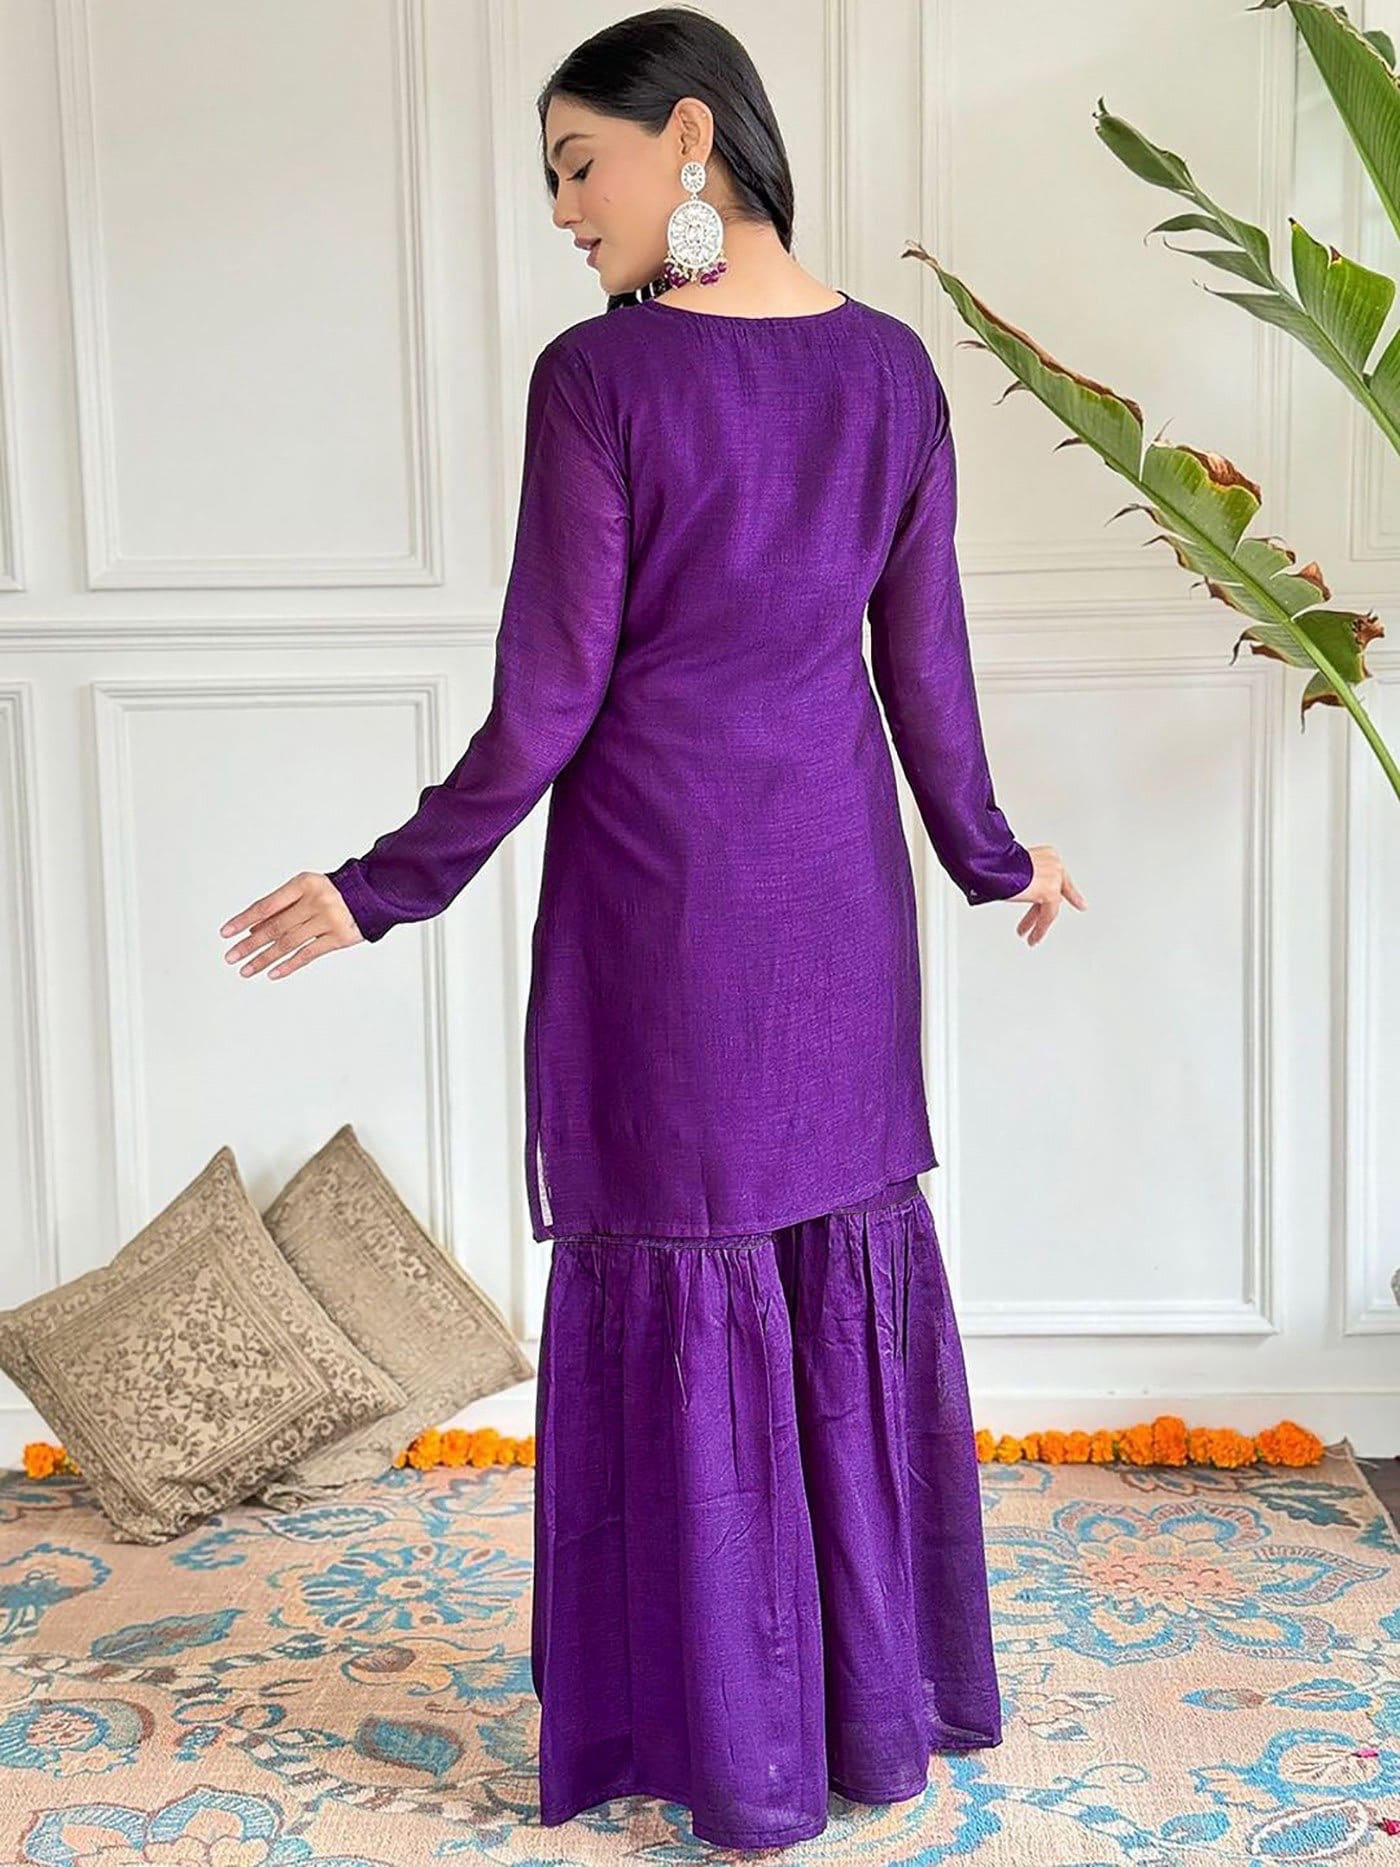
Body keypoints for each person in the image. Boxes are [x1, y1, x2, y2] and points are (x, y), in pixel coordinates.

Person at [219, 7, 1085, 1850]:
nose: (561, 210)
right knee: (821, 1264)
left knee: (693, 1271)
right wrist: (991, 855)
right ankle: (865, 1719)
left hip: (671, 900)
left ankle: (720, 1738)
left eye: (575, 165)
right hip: (836, 894)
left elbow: (549, 700)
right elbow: (923, 669)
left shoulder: (601, 380)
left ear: (689, 138)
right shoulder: (890, 372)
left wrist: (383, 885)